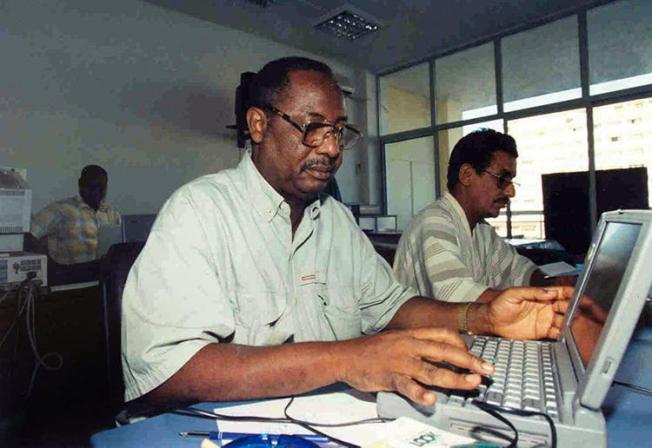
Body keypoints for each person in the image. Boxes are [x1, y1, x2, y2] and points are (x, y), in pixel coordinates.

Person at [121, 57, 571, 412]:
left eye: (338, 131)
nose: (333, 149)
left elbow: (394, 307)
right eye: (312, 127)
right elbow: (166, 374)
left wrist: (483, 317)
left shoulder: (333, 218)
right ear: (258, 125)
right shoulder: (201, 211)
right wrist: (351, 357)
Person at [393, 129, 570, 304]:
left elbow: (517, 271)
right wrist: (541, 298)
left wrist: (554, 285)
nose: (511, 191)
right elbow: (455, 294)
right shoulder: (434, 222)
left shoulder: (482, 231)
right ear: (467, 175)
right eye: (502, 179)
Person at [29, 164, 121, 265]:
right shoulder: (61, 209)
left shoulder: (111, 213)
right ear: (80, 185)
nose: (95, 191)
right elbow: (28, 235)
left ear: (105, 188)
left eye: (100, 187)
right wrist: (47, 262)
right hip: (72, 275)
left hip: (104, 274)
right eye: (90, 186)